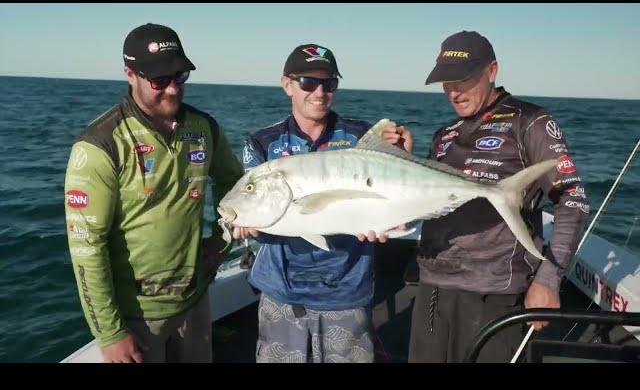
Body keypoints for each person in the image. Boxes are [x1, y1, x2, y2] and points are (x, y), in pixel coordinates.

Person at [64, 23, 244, 363]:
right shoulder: (100, 145)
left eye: (180, 77)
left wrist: (221, 242)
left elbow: (233, 183)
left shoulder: (204, 128)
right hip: (137, 318)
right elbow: (87, 248)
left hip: (195, 302)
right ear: (130, 74)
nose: (173, 89)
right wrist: (110, 333)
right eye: (160, 80)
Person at [408, 30, 590, 363]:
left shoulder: (530, 122)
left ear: (492, 71)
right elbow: (426, 203)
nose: (454, 91)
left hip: (494, 295)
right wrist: (400, 160)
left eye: (463, 79)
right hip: (433, 289)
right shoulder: (443, 136)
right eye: (446, 82)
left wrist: (548, 280)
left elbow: (572, 200)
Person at [233, 43, 413, 363]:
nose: (319, 92)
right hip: (281, 296)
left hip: (347, 294)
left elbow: (393, 195)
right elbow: (259, 215)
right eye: (307, 82)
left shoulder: (361, 138)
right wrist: (246, 224)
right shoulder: (262, 143)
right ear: (287, 85)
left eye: (329, 83)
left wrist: (404, 161)